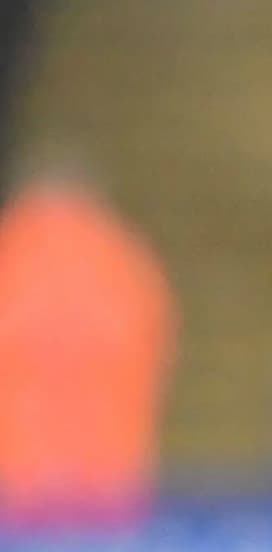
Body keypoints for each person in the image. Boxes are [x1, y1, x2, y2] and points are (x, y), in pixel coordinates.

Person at [0, 155, 177, 520]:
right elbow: (158, 356)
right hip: (110, 492)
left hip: (13, 491)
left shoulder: (11, 252)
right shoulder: (129, 263)